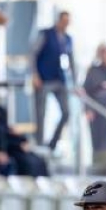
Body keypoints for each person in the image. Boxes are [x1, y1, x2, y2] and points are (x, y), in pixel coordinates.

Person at [31, 11, 75, 152]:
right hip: (43, 79)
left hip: (59, 80)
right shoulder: (46, 34)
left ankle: (53, 143)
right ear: (58, 21)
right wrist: (34, 75)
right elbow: (33, 54)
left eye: (68, 22)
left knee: (66, 112)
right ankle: (39, 144)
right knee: (40, 113)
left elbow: (72, 61)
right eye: (63, 21)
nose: (65, 24)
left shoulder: (68, 39)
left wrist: (74, 83)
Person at [83, 43, 106, 171]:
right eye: (104, 53)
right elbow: (86, 90)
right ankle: (98, 166)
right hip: (97, 110)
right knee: (98, 139)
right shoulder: (93, 71)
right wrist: (87, 109)